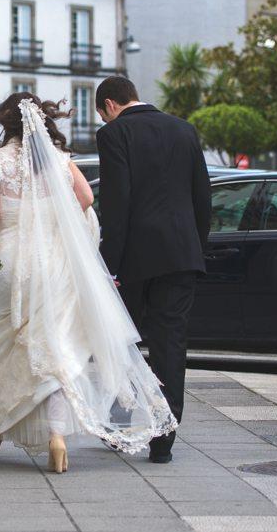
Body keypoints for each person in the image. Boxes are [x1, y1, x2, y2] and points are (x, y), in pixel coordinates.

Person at [0, 92, 176, 473]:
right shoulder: (60, 161)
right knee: (58, 349)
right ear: (43, 120)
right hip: (58, 262)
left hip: (15, 261)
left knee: (7, 345)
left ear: (6, 124)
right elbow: (85, 198)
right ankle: (57, 435)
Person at [95, 76, 211, 464]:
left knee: (124, 342)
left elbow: (117, 203)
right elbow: (202, 197)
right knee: (170, 347)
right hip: (181, 255)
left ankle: (119, 426)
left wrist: (109, 263)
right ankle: (164, 441)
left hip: (135, 259)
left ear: (110, 105)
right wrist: (195, 248)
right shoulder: (184, 129)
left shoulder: (114, 135)